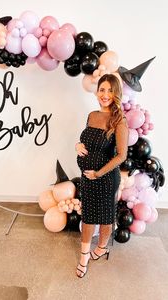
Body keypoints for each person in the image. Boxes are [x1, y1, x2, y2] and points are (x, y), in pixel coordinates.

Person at [75, 73, 128, 278]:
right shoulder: (91, 115)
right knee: (88, 216)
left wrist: (98, 173)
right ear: (97, 92)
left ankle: (102, 247)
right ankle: (84, 256)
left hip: (105, 178)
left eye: (110, 90)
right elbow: (86, 141)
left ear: (116, 94)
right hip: (88, 177)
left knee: (105, 216)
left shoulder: (119, 120)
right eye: (102, 89)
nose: (105, 94)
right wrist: (77, 145)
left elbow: (121, 156)